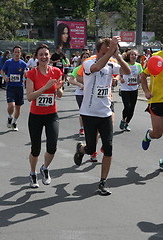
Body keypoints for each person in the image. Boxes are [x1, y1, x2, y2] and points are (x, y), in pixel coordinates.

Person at [73, 36, 131, 195]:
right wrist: (110, 51)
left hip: (105, 114)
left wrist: (118, 55)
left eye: (111, 51)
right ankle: (81, 150)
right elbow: (98, 66)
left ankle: (102, 182)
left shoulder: (112, 65)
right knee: (91, 148)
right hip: (89, 114)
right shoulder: (88, 63)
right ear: (97, 51)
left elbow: (127, 71)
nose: (110, 55)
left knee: (109, 147)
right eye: (106, 51)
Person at [26, 44, 63, 188]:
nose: (44, 57)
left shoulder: (56, 71)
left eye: (46, 54)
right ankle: (32, 173)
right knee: (35, 149)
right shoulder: (32, 74)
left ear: (49, 56)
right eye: (41, 54)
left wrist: (58, 90)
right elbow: (30, 97)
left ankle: (45, 168)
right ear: (36, 57)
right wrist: (45, 87)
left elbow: (59, 94)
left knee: (52, 147)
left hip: (51, 115)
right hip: (36, 115)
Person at [141, 50, 163, 170]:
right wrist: (146, 91)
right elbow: (143, 75)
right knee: (158, 133)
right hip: (157, 100)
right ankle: (149, 135)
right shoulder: (155, 57)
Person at [1, 45, 27, 131]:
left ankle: (15, 122)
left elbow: (26, 73)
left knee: (18, 107)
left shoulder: (23, 64)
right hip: (11, 87)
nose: (17, 54)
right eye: (15, 52)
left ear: (20, 53)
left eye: (18, 52)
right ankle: (9, 117)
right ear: (13, 53)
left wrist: (26, 73)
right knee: (11, 105)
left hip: (19, 87)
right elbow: (2, 71)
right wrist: (4, 77)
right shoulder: (8, 62)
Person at [119, 49, 143, 131]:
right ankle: (123, 119)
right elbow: (120, 73)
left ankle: (127, 123)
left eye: (135, 55)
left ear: (137, 56)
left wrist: (140, 82)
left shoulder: (138, 65)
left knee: (132, 107)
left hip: (134, 89)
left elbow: (140, 76)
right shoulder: (125, 64)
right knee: (127, 106)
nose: (133, 56)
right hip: (125, 88)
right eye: (132, 54)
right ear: (129, 56)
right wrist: (121, 79)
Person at [68, 52, 90, 136]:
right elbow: (71, 80)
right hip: (80, 93)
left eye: (87, 57)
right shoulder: (78, 68)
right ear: (81, 59)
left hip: (90, 93)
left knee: (90, 111)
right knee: (82, 111)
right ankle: (82, 128)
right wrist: (80, 84)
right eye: (84, 57)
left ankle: (89, 127)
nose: (85, 58)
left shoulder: (92, 68)